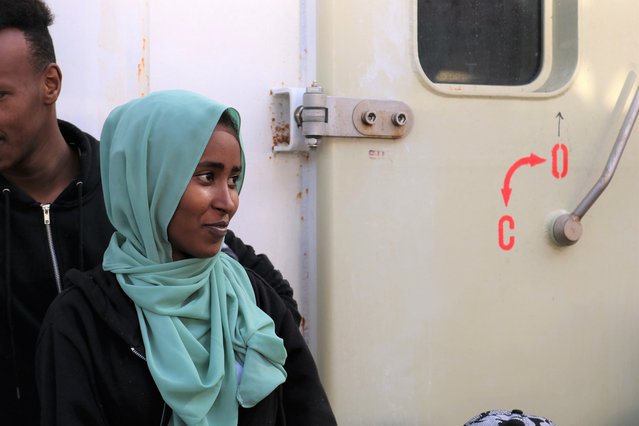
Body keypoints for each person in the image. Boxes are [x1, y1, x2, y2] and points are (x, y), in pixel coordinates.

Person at [0, 1, 301, 423]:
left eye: (0, 96)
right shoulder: (73, 319)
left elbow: (269, 297)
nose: (225, 199)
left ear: (49, 84)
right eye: (208, 177)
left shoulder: (134, 187)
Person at [36, 90, 335, 425]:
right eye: (207, 177)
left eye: (233, 179)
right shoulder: (80, 321)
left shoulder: (252, 297)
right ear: (148, 182)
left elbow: (308, 412)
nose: (229, 202)